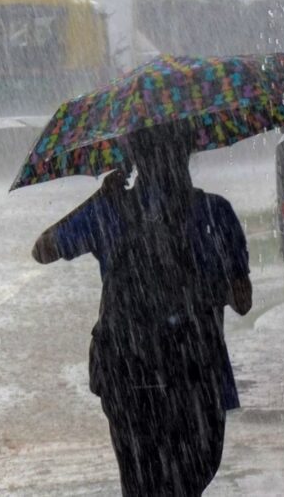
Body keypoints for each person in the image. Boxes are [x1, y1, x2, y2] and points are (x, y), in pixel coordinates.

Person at [32, 128, 252, 496]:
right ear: (187, 156)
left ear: (133, 161)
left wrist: (96, 201)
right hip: (196, 374)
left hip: (127, 373)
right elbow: (243, 302)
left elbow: (43, 249)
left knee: (141, 483)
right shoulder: (215, 212)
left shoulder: (110, 210)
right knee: (188, 481)